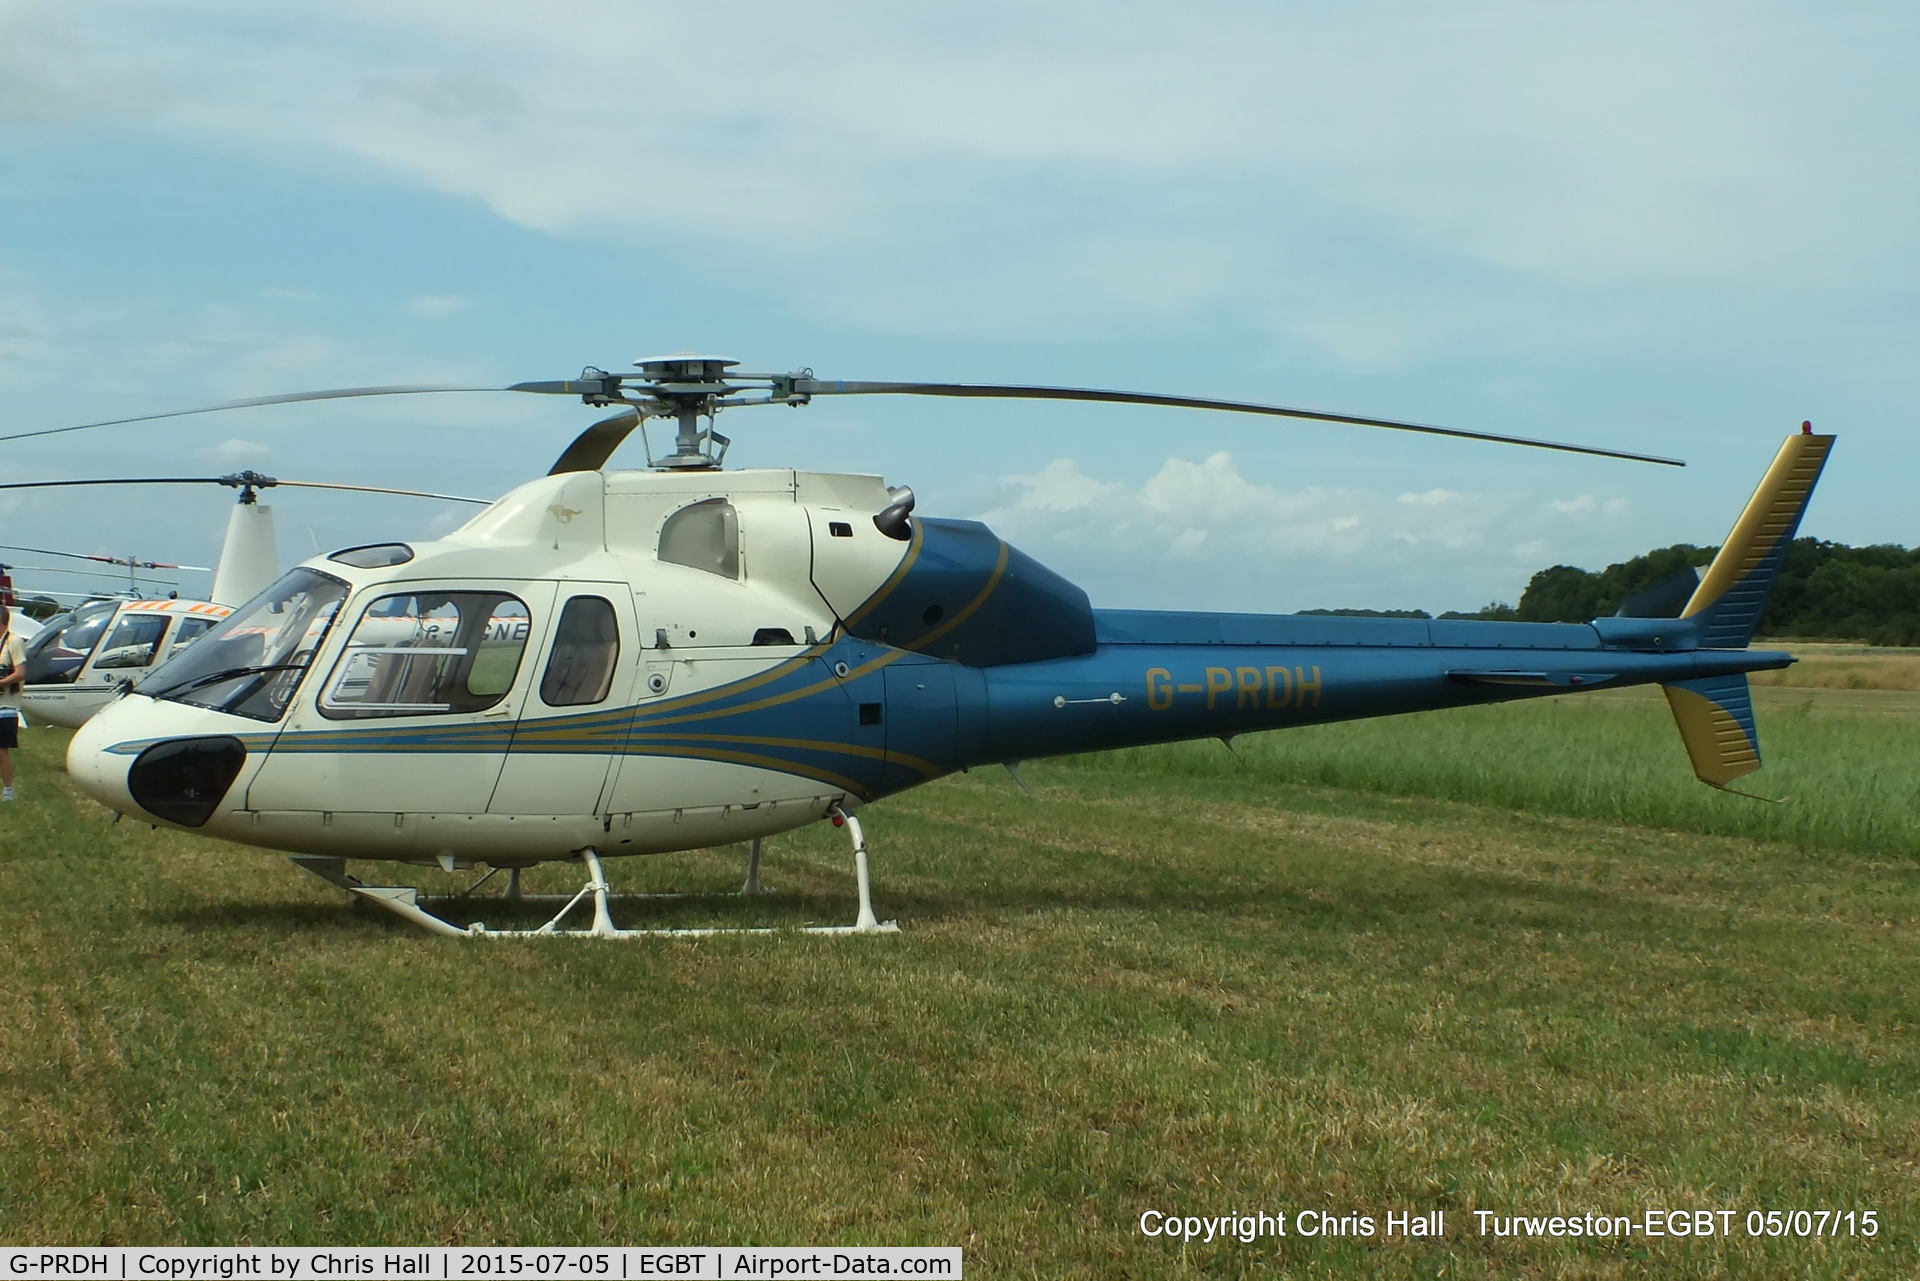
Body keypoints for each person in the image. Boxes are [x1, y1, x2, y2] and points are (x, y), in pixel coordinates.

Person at [0, 603, 23, 801]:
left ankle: (8, 790)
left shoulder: (14, 642)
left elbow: (20, 673)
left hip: (6, 705)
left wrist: (2, 682)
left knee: (1, 750)